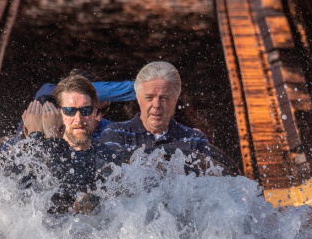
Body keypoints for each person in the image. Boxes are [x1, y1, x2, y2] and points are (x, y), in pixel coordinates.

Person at [0, 74, 125, 212]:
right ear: (57, 114)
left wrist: (49, 139)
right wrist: (35, 138)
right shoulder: (36, 150)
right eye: (70, 111)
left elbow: (71, 189)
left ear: (94, 111)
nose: (78, 119)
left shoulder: (107, 157)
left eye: (85, 110)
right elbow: (16, 194)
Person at [100, 61, 239, 175]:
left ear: (175, 99)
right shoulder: (115, 133)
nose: (156, 105)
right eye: (149, 97)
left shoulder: (195, 139)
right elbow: (110, 179)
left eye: (164, 98)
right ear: (138, 97)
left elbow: (206, 186)